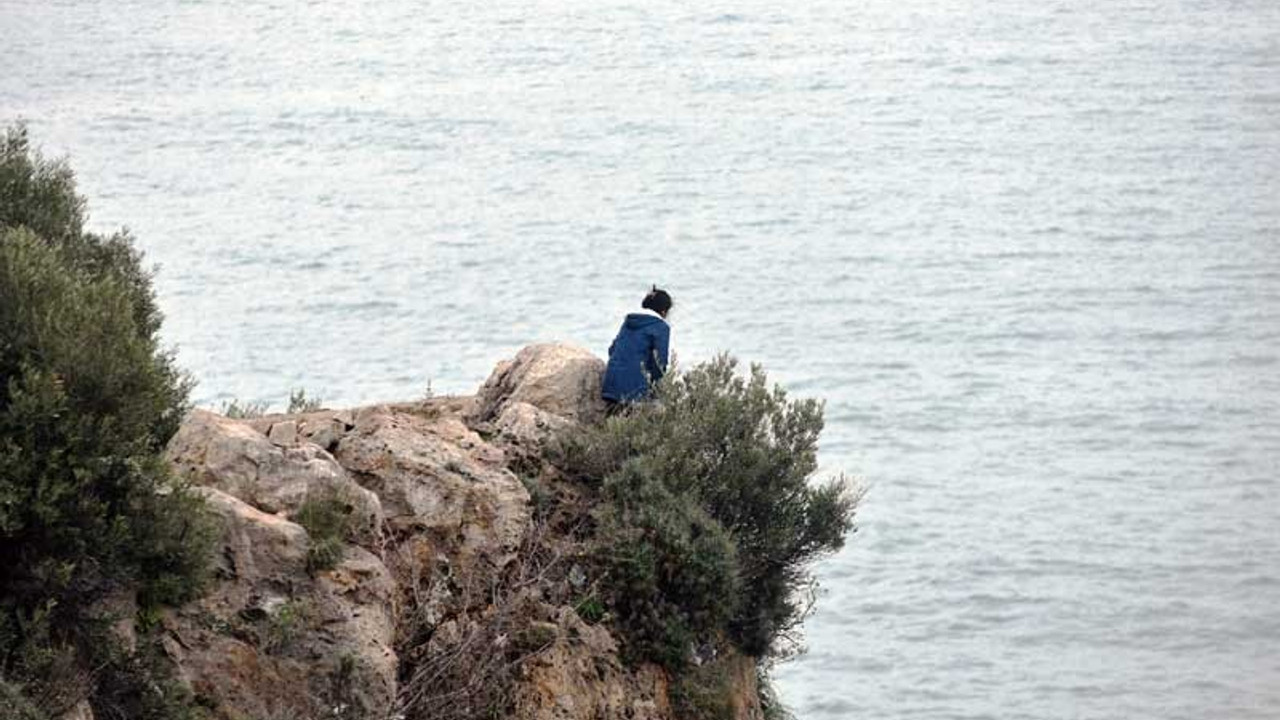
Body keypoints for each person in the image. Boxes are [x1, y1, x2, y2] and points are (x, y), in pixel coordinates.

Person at [602, 287, 673, 412]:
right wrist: (657, 391)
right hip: (634, 391)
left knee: (614, 422)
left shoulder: (629, 321)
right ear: (663, 312)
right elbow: (659, 364)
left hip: (611, 386)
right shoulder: (661, 327)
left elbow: (612, 350)